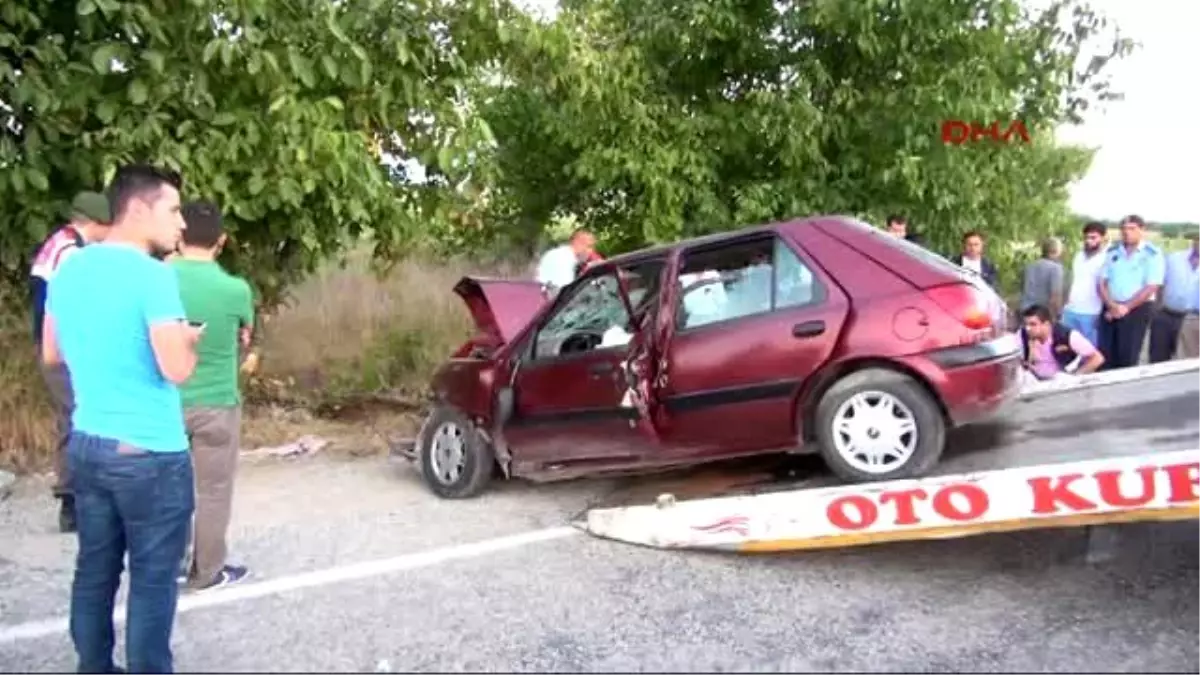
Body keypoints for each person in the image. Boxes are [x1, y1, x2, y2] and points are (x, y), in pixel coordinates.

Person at [43, 164, 199, 673]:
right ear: (137, 208)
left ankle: (93, 665)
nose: (181, 224)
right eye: (173, 210)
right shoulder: (153, 276)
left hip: (88, 441)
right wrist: (189, 341)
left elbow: (53, 353)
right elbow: (175, 368)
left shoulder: (69, 268)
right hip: (149, 451)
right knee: (153, 581)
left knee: (95, 570)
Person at [172, 201, 254, 591]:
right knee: (214, 493)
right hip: (217, 403)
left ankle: (170, 564)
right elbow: (245, 338)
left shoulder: (156, 278)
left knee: (169, 490)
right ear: (221, 240)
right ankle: (207, 572)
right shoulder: (236, 290)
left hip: (164, 403)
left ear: (178, 233)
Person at [29, 190, 113, 533]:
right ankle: (76, 501)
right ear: (95, 223)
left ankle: (74, 499)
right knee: (82, 418)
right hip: (64, 349)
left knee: (72, 418)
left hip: (56, 346)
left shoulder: (60, 243)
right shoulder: (71, 254)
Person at [1098, 215, 1165, 370]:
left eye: (1132, 229)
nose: (1127, 232)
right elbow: (1102, 282)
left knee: (1127, 354)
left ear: (1142, 230)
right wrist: (1111, 305)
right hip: (1111, 307)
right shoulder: (1113, 251)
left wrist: (1126, 308)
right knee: (1106, 354)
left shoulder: (1152, 254)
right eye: (1124, 229)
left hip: (1137, 309)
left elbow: (1151, 286)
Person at [1018, 304, 1104, 386]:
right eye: (1026, 325)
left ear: (1046, 324)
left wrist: (1075, 377)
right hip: (1035, 380)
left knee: (1061, 378)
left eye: (1033, 324)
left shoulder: (1066, 336)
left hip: (1061, 380)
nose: (1028, 328)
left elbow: (1097, 358)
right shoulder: (1022, 335)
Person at [1146, 233, 1200, 363]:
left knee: (1188, 362)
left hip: (1194, 320)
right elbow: (1159, 283)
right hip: (1166, 315)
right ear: (1195, 240)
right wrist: (1156, 310)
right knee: (1158, 359)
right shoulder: (1173, 258)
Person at [1061, 221, 1108, 346]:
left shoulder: (1107, 258)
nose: (1088, 241)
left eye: (1093, 237)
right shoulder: (1079, 255)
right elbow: (1072, 279)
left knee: (1088, 349)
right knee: (1067, 346)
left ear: (1103, 238)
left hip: (1091, 312)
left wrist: (1103, 312)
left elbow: (1106, 287)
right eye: (1086, 237)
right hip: (1070, 309)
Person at [536, 228, 596, 294]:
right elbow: (564, 293)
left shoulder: (562, 255)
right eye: (589, 246)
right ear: (577, 243)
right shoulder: (563, 259)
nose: (591, 251)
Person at [1019, 236, 1065, 316]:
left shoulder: (1030, 266)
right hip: (1042, 314)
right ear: (1056, 251)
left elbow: (1023, 289)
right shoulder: (1056, 268)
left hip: (1026, 310)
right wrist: (1057, 314)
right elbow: (1055, 296)